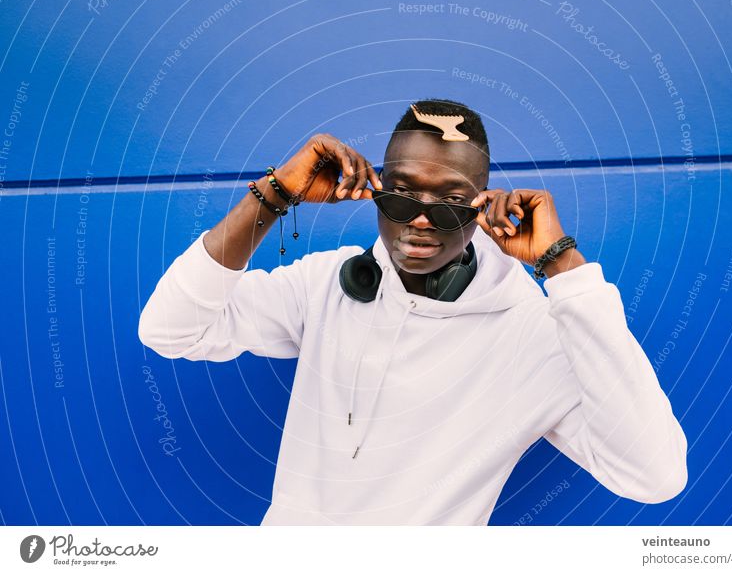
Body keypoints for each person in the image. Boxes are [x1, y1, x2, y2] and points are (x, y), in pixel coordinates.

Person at [138, 98, 688, 525]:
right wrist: (277, 193)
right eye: (401, 195)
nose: (419, 220)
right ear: (374, 190)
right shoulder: (327, 283)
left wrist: (564, 268)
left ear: (483, 206)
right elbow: (169, 330)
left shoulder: (535, 335)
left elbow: (655, 476)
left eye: (448, 201)